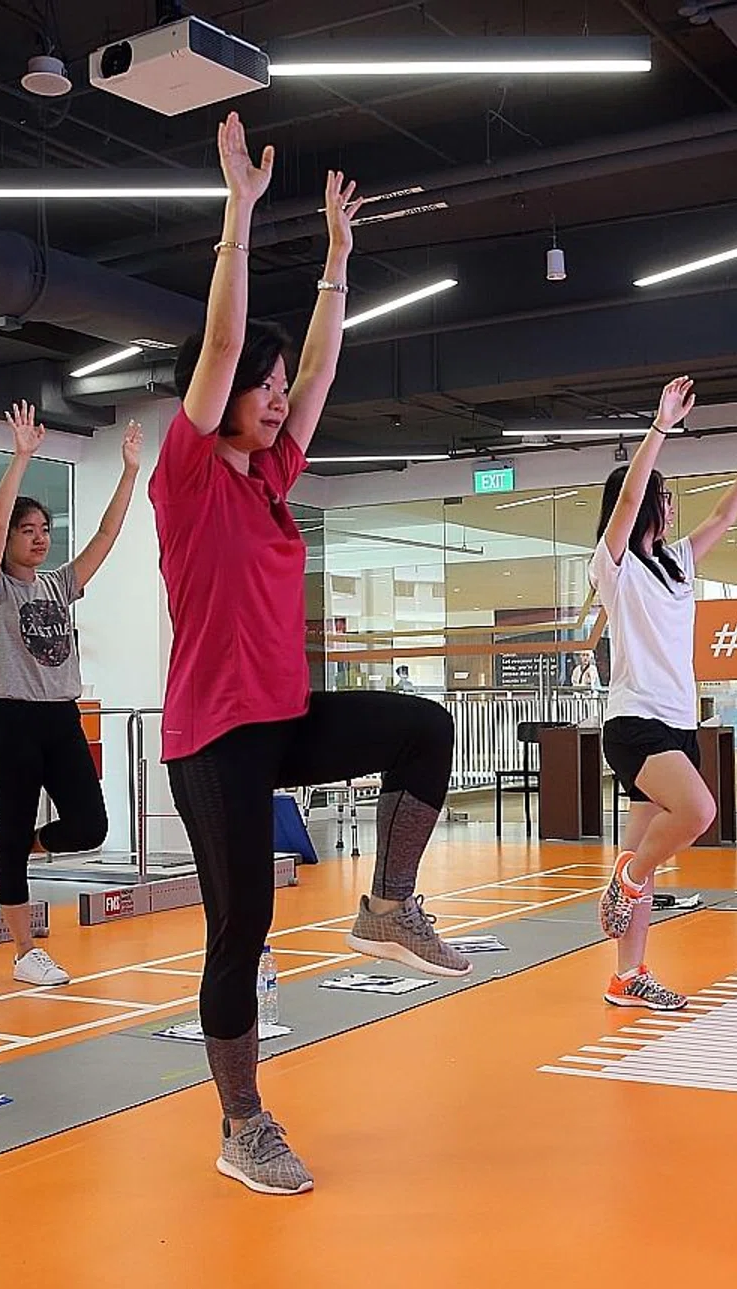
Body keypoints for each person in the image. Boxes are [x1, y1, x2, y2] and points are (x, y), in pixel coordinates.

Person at [153, 113, 469, 1196]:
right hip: (214, 736)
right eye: (262, 381)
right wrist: (239, 218)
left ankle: (388, 897)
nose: (279, 393)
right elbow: (219, 345)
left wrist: (339, 261)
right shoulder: (187, 478)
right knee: (241, 925)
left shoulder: (273, 479)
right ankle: (243, 1120)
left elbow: (325, 370)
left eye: (279, 381)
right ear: (222, 395)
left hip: (279, 718)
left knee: (425, 726)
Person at [592, 385, 737, 1011]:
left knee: (644, 837)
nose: (672, 509)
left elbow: (723, 519)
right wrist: (660, 429)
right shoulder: (614, 566)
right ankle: (630, 877)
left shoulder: (676, 565)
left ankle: (628, 975)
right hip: (633, 721)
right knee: (697, 814)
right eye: (665, 499)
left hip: (675, 723)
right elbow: (626, 499)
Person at [0, 405, 141, 986]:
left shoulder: (58, 585)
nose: (39, 539)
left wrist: (129, 472)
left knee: (90, 827)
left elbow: (108, 535)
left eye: (44, 530)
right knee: (13, 836)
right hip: (12, 723)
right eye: (28, 530)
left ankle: (11, 855)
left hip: (63, 721)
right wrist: (20, 457)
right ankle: (24, 951)